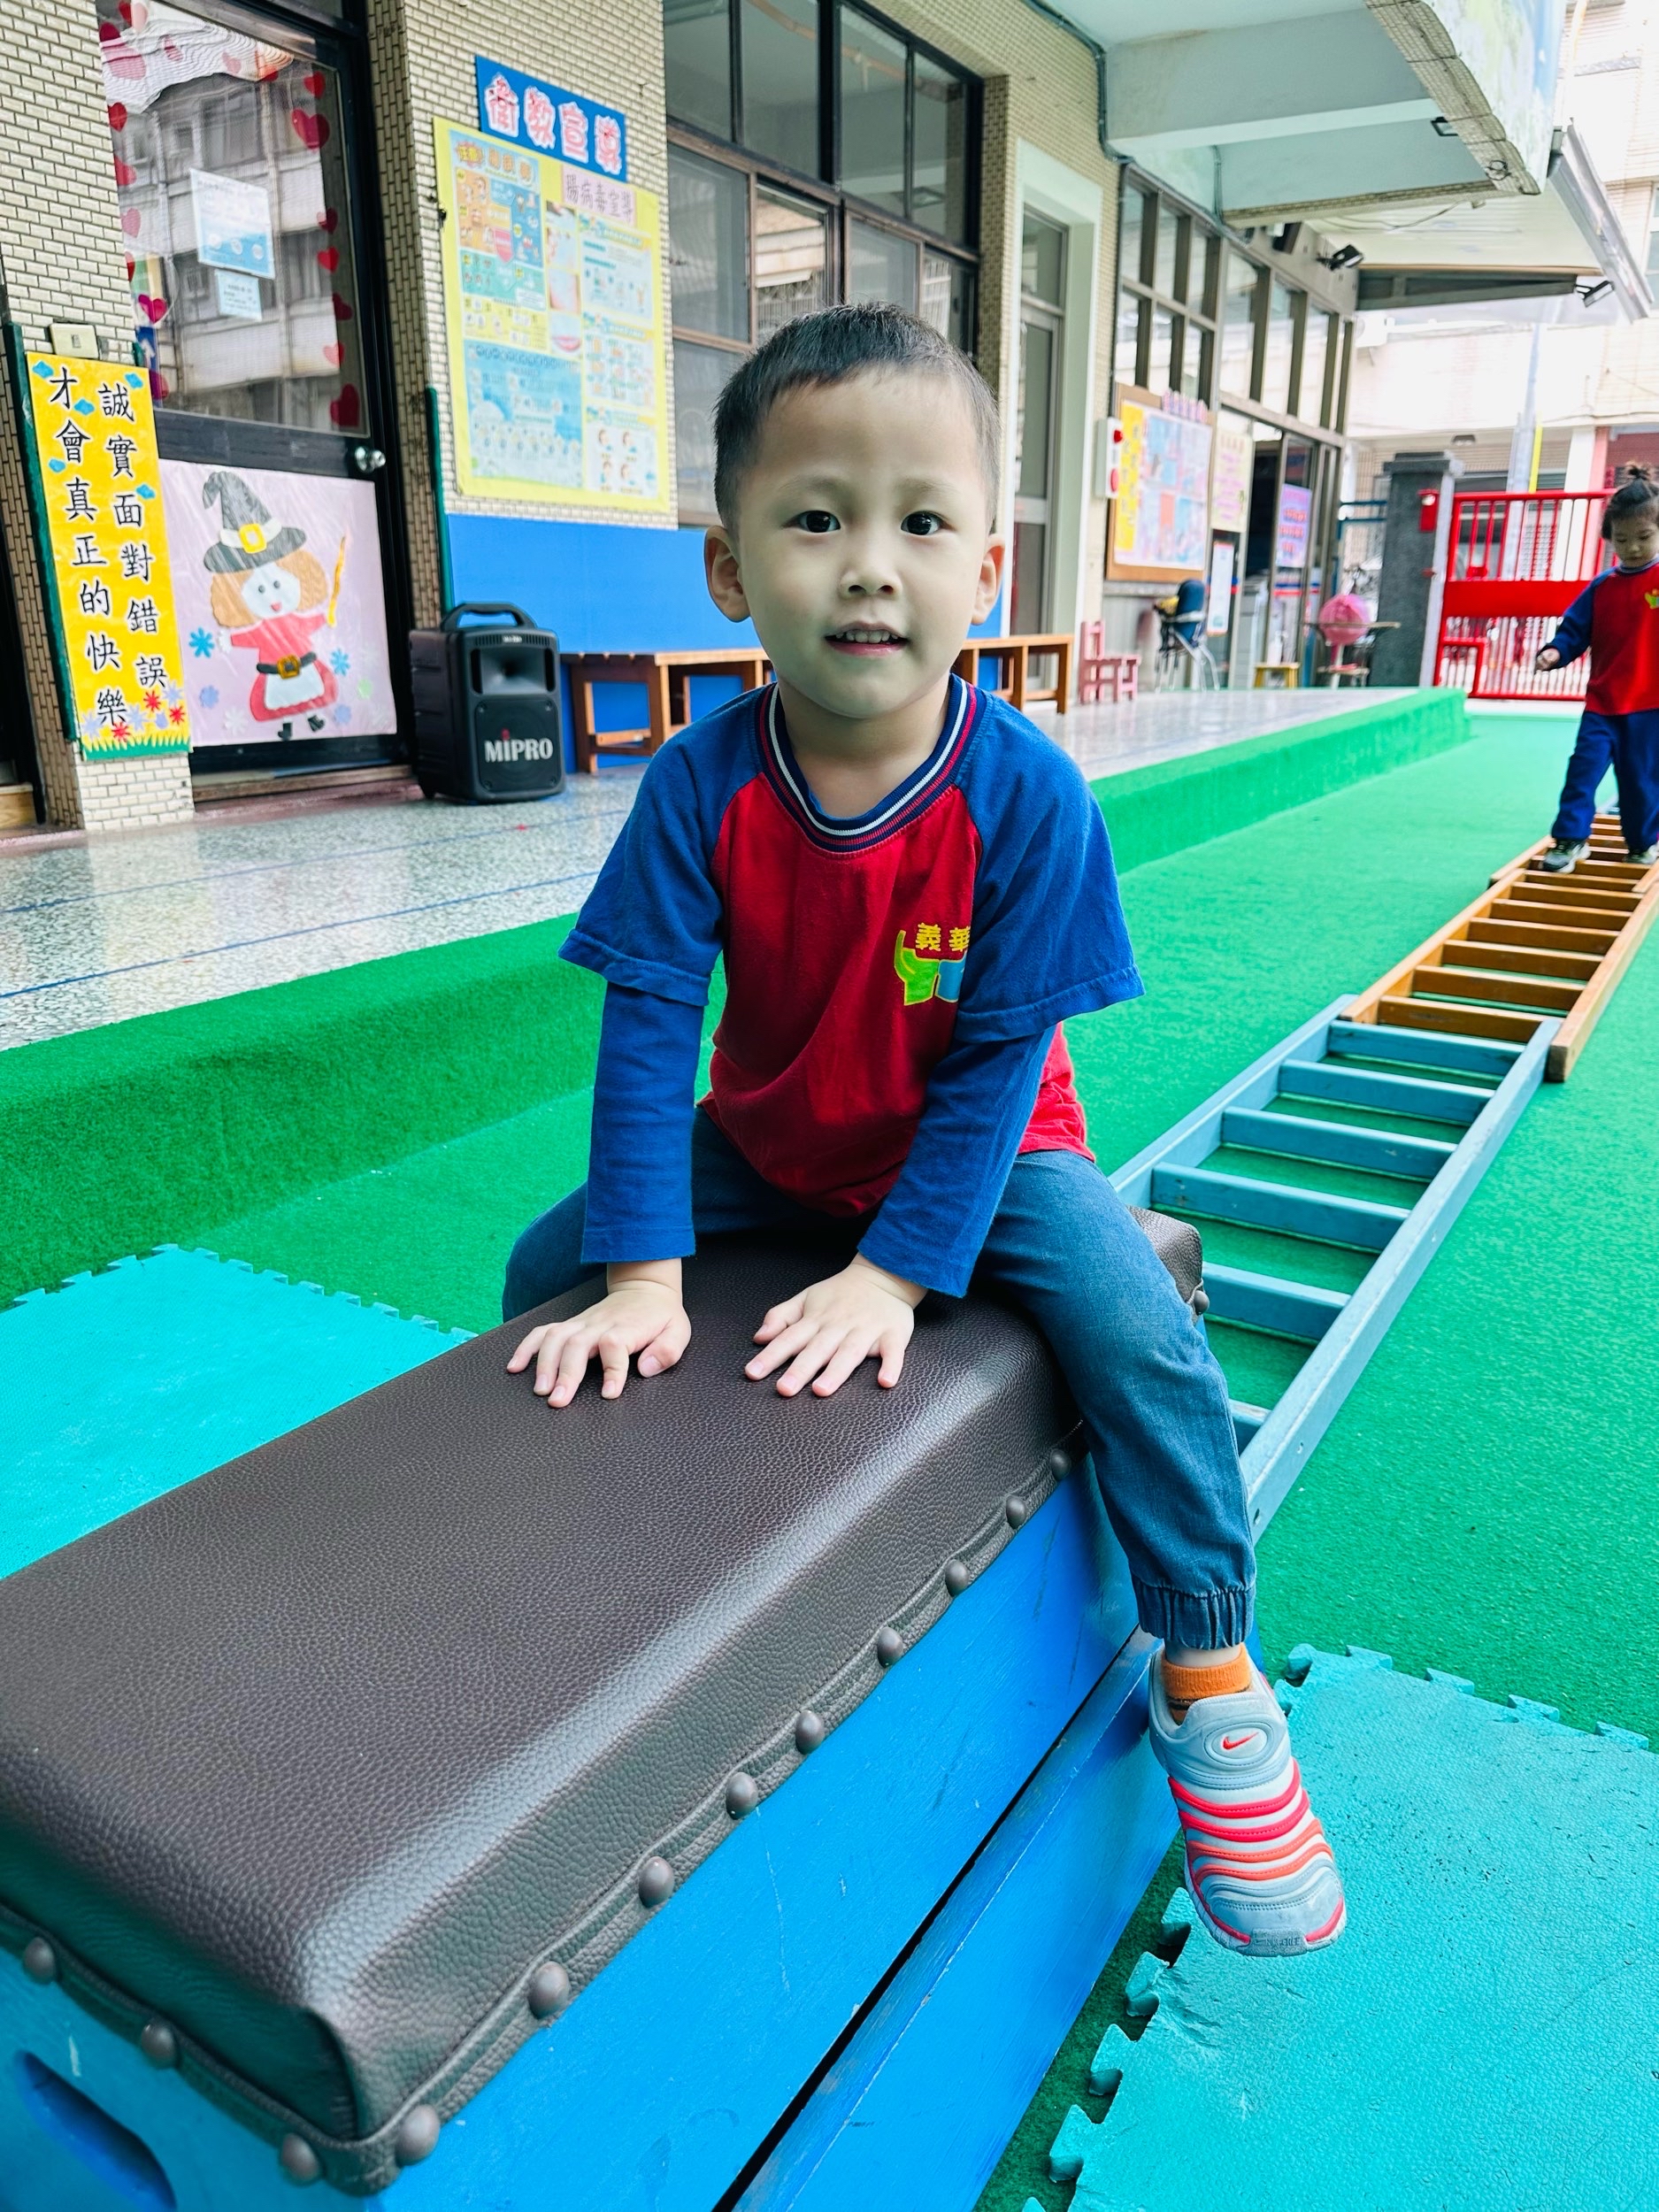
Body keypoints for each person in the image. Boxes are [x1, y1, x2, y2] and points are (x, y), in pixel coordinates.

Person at [502, 306, 1344, 1957]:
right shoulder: (699, 786)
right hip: (774, 1136)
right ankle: (599, 1570)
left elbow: (995, 1067)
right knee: (550, 1263)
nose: (870, 568)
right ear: (729, 569)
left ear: (986, 571)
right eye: (816, 519)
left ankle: (1208, 1667)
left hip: (990, 1150)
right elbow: (648, 1026)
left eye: (922, 522)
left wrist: (893, 1275)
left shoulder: (1025, 795)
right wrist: (642, 1276)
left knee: (1135, 1326)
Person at [1533, 465, 1659, 872]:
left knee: (1641, 781)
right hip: (1603, 704)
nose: (1633, 547)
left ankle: (1642, 843)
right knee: (1582, 772)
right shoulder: (1603, 587)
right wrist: (1555, 652)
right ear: (1610, 538)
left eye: (1644, 537)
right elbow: (1574, 629)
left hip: (1650, 707)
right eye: (1622, 539)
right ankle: (1570, 840)